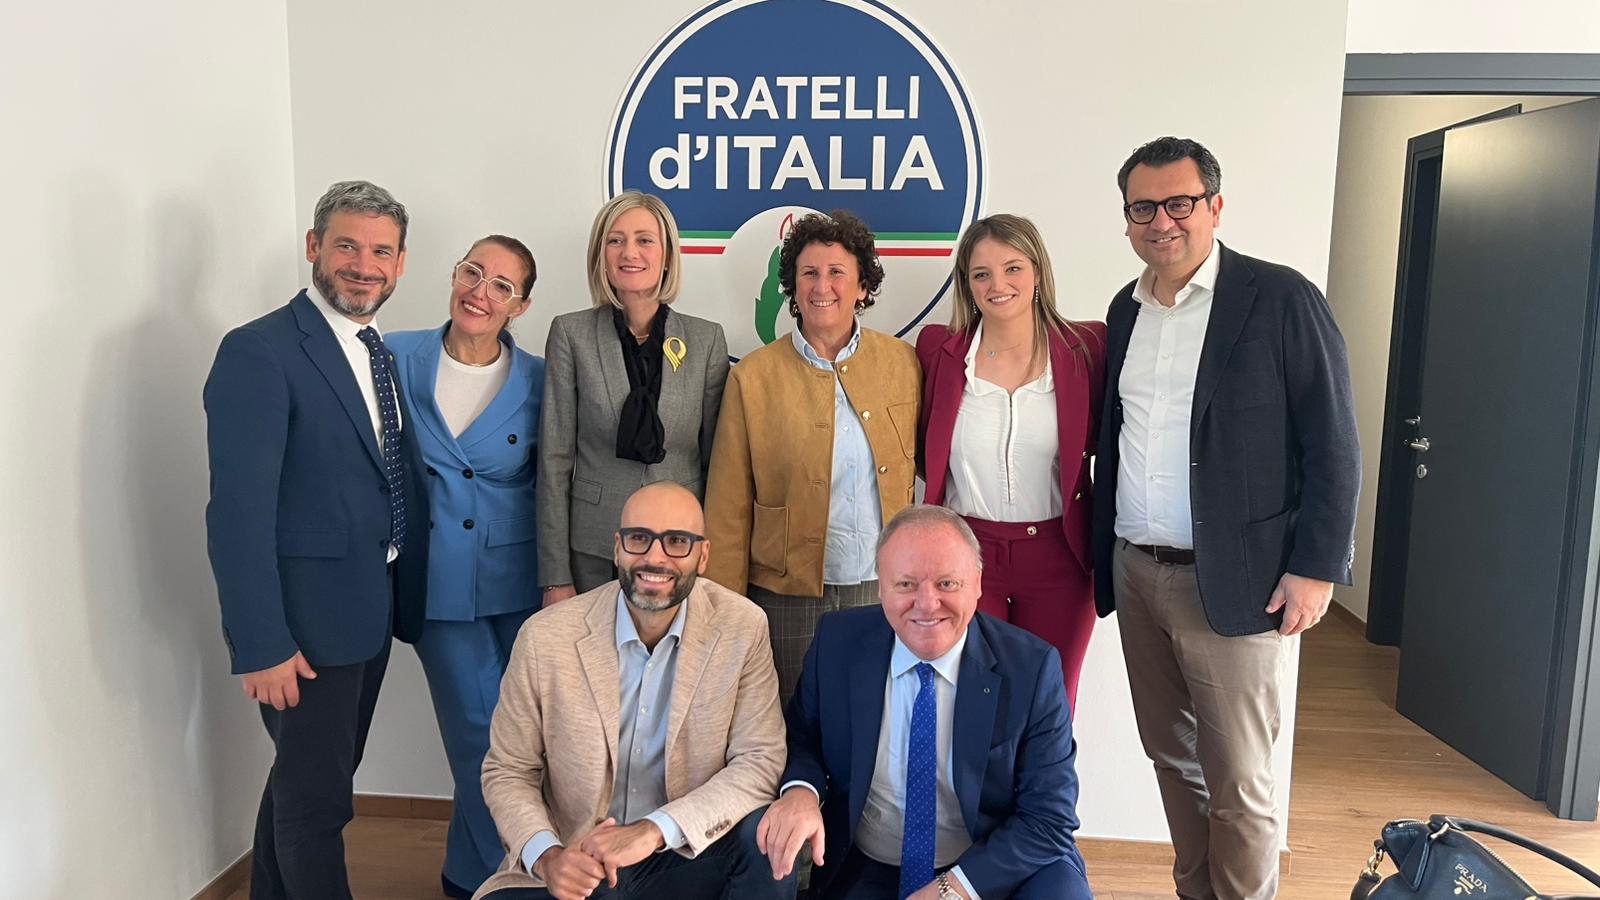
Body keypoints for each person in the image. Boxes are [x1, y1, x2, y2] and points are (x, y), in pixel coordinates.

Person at [1093, 136, 1360, 900]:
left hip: (1239, 581)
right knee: (1170, 759)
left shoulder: (1280, 298)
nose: (1162, 222)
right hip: (1137, 570)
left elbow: (1333, 442)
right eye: (1143, 208)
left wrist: (1315, 568)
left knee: (1240, 778)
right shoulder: (1125, 309)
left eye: (1179, 203)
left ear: (1215, 206)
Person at [203, 180, 430, 899]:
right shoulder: (259, 351)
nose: (364, 266)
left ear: (400, 263)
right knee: (317, 806)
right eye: (347, 247)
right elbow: (237, 514)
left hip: (364, 610)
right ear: (314, 247)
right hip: (303, 630)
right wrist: (261, 642)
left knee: (304, 786)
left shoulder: (375, 350)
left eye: (381, 252)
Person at [475, 481, 794, 900]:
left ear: (703, 556)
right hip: (578, 860)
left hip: (683, 854)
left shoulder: (742, 627)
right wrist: (548, 858)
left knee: (768, 840)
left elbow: (759, 761)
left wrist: (652, 830)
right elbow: (508, 770)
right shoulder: (545, 637)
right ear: (617, 549)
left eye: (677, 541)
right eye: (639, 538)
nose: (654, 558)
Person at [758, 505, 1091, 900]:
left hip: (995, 866)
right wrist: (800, 792)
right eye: (906, 584)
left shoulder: (1032, 668)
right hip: (871, 864)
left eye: (947, 583)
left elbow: (1049, 817)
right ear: (881, 587)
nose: (927, 603)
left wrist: (951, 889)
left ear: (977, 584)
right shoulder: (837, 642)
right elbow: (802, 737)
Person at [704, 210, 921, 705]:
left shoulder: (903, 364)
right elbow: (728, 507)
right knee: (787, 725)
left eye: (837, 272)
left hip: (881, 587)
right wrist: (724, 609)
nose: (822, 286)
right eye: (809, 273)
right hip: (786, 596)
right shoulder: (752, 377)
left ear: (862, 287)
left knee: (874, 723)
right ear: (793, 287)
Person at [385, 234, 544, 897]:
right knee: (479, 739)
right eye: (472, 272)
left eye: (502, 285)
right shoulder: (394, 356)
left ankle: (463, 873)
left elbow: (553, 479)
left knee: (531, 740)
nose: (481, 292)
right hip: (437, 584)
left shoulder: (541, 376)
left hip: (521, 582)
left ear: (520, 305)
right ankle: (497, 882)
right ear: (453, 275)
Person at [915, 214, 1105, 708]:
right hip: (965, 556)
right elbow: (922, 451)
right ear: (967, 284)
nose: (997, 285)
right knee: (972, 707)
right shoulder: (938, 351)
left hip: (1060, 558)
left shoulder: (1088, 348)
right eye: (982, 274)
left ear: (1038, 271)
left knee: (1050, 706)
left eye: (1013, 268)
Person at [537, 192, 729, 604]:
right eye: (615, 240)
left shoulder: (707, 340)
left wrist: (712, 563)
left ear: (667, 256)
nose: (629, 252)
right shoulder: (571, 334)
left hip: (678, 550)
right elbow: (553, 461)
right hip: (594, 549)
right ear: (601, 255)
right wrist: (554, 578)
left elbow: (717, 466)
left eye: (644, 240)